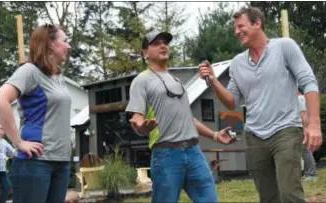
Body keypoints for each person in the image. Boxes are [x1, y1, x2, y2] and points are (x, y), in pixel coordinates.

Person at [198, 6, 322, 203]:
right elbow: (231, 101)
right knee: (268, 197)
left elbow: (309, 82)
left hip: (286, 130)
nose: (236, 32)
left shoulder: (284, 47)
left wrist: (314, 124)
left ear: (257, 23)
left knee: (290, 194)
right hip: (255, 136)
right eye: (235, 29)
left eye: (240, 26)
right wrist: (213, 80)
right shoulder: (237, 63)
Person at [126, 30, 237, 203]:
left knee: (209, 199)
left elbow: (188, 118)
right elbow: (137, 118)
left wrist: (215, 135)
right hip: (166, 154)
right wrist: (142, 127)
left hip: (194, 152)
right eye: (156, 43)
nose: (163, 45)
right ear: (145, 53)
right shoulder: (141, 81)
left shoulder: (177, 81)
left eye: (165, 42)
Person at [0, 24, 71, 203]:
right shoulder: (30, 71)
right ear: (51, 44)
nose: (68, 46)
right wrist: (18, 142)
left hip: (61, 161)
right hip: (36, 162)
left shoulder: (58, 78)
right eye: (65, 41)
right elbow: (1, 99)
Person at [298, 91, 318, 181]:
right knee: (307, 151)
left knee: (305, 151)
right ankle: (310, 172)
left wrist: (304, 128)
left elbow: (303, 114)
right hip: (307, 127)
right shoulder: (304, 98)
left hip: (303, 128)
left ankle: (311, 174)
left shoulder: (298, 99)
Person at [0, 124, 16, 203]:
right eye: (0, 129)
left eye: (3, 129)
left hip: (2, 170)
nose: (2, 131)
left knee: (7, 186)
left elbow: (13, 152)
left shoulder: (4, 142)